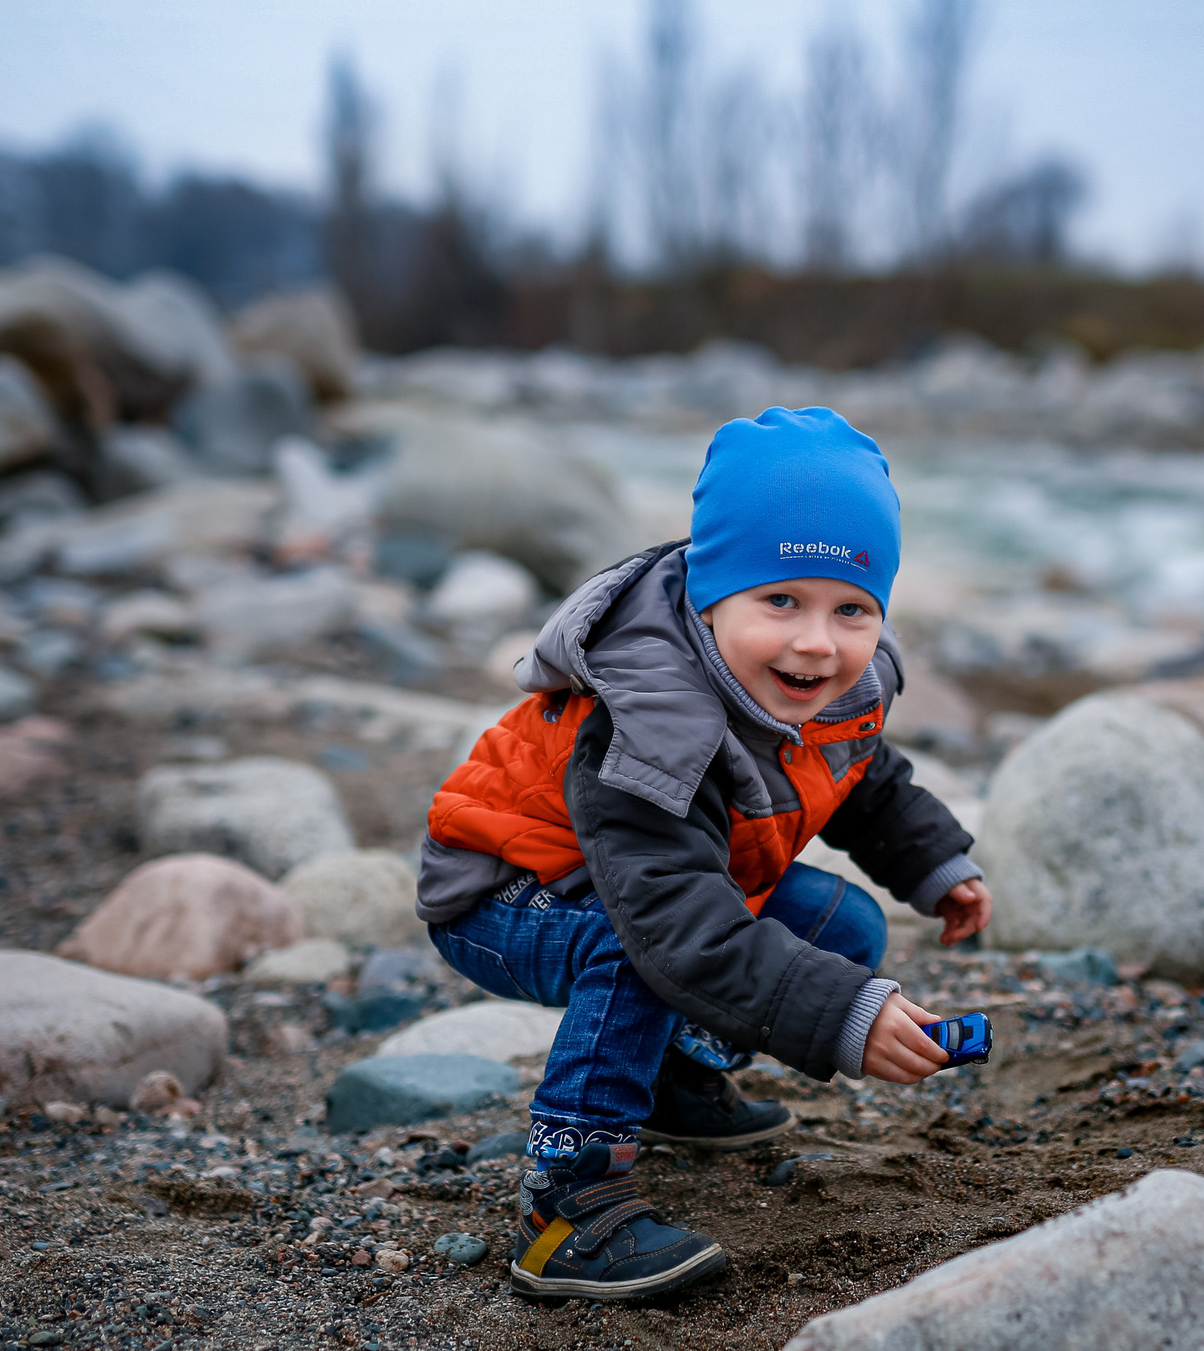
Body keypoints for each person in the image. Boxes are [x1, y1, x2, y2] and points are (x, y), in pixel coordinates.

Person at [416, 406, 990, 1302]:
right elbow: (675, 923)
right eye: (781, 601)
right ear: (711, 592)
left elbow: (864, 776)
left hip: (641, 885)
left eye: (853, 610)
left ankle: (675, 1080)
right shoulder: (650, 723)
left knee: (844, 924)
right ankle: (568, 1204)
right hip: (502, 891)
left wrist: (938, 865)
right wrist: (842, 1015)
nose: (816, 642)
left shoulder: (836, 689)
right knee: (637, 945)